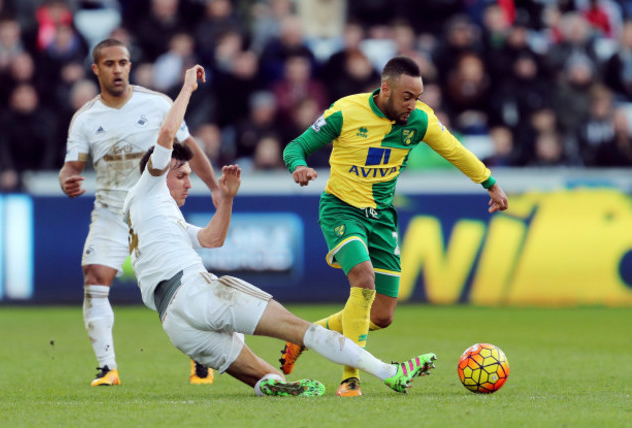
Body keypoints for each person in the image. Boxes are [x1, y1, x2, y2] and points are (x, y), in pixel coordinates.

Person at [122, 64, 438, 397]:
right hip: (197, 293)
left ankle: (271, 385)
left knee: (271, 377)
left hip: (175, 322)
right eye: (182, 175)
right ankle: (390, 372)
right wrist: (187, 87)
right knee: (302, 331)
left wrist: (227, 200)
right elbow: (166, 136)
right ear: (158, 172)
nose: (188, 182)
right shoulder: (149, 186)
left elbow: (212, 239)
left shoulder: (155, 214)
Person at [280, 55, 509, 397]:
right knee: (363, 278)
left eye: (418, 97)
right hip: (342, 210)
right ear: (385, 89)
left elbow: (455, 151)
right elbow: (295, 146)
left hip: (382, 217)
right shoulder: (345, 112)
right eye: (407, 97)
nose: (413, 104)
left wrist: (489, 182)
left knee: (382, 315)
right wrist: (298, 166)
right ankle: (350, 379)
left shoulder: (420, 120)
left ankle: (304, 336)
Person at [58, 38, 219, 386]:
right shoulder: (85, 119)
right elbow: (71, 168)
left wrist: (216, 186)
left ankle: (201, 358)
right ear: (96, 69)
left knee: (183, 284)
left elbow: (188, 148)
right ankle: (107, 368)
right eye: (110, 64)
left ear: (130, 65)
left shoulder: (157, 104)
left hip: (154, 212)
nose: (118, 70)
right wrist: (67, 180)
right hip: (112, 212)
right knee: (95, 279)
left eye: (123, 63)